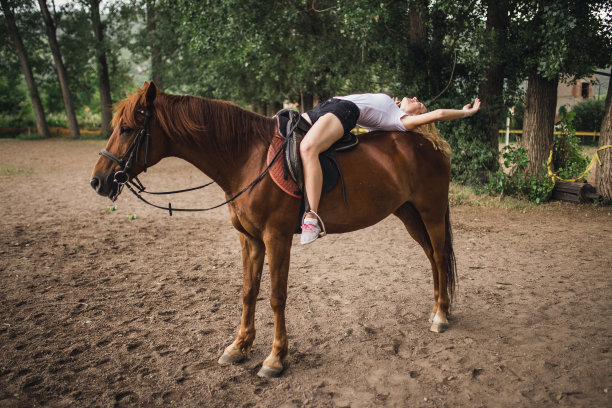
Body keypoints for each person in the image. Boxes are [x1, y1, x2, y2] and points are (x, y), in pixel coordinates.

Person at [299, 92, 481, 245]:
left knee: (308, 148)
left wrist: (466, 112)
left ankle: (311, 217)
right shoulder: (390, 115)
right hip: (328, 106)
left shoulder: (403, 121)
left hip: (342, 110)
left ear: (418, 117)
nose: (416, 98)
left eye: (421, 105)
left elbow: (440, 113)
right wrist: (390, 107)